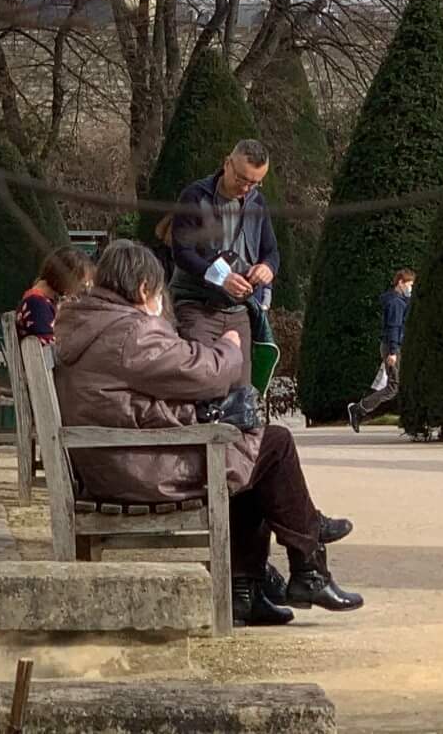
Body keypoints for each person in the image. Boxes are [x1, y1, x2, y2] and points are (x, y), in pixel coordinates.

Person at [55, 240, 362, 627]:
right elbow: (203, 374)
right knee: (272, 444)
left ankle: (250, 590)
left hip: (111, 462)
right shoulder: (129, 332)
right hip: (138, 467)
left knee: (245, 451)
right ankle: (307, 562)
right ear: (144, 289)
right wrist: (230, 348)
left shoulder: (87, 322)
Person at [167, 139, 281, 353]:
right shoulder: (194, 197)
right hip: (196, 305)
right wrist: (221, 277)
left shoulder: (257, 202)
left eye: (255, 183)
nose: (246, 188)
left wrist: (267, 268)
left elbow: (271, 252)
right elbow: (182, 253)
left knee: (241, 385)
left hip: (240, 309)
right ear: (227, 163)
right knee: (201, 377)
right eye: (241, 179)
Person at [346, 268, 415, 431]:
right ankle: (359, 409)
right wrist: (392, 352)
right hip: (393, 346)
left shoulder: (396, 301)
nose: (411, 289)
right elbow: (394, 327)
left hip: (393, 345)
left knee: (394, 383)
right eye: (410, 285)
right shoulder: (396, 303)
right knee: (393, 387)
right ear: (401, 283)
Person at [18, 246, 95, 356]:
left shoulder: (41, 301)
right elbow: (50, 348)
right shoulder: (36, 303)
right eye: (79, 284)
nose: (78, 290)